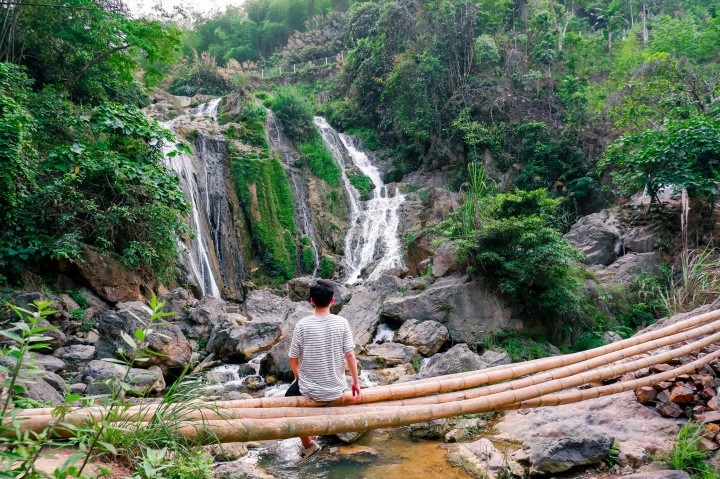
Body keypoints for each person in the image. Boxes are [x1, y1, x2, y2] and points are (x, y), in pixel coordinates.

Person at [287, 279, 362, 464]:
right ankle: (313, 434)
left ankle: (308, 444)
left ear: (311, 301)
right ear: (333, 300)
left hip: (310, 390)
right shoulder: (342, 323)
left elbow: (292, 358)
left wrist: (298, 376)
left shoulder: (302, 325)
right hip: (336, 388)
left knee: (288, 403)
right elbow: (350, 356)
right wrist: (355, 382)